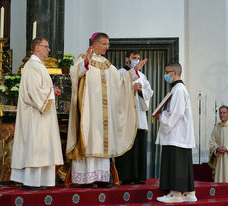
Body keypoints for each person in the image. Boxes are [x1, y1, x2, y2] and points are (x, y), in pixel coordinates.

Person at [66, 32, 147, 188]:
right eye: (104, 44)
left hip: (103, 116)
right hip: (89, 112)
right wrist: (85, 63)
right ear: (94, 44)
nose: (107, 47)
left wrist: (133, 71)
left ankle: (102, 178)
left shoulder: (108, 65)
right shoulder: (83, 58)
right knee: (89, 140)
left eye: (108, 44)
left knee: (103, 142)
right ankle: (86, 179)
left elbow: (119, 82)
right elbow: (74, 74)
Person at [10, 37, 64, 190]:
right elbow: (33, 92)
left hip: (41, 115)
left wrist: (51, 91)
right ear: (37, 47)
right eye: (46, 47)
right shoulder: (32, 66)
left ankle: (43, 181)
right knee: (35, 147)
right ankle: (32, 181)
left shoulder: (38, 66)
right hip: (34, 115)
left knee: (43, 147)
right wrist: (50, 92)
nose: (48, 50)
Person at [155, 63, 197, 203]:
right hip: (180, 135)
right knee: (182, 163)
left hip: (176, 134)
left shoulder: (178, 90)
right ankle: (189, 192)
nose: (165, 75)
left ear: (174, 73)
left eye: (167, 72)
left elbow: (176, 113)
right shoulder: (178, 89)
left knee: (176, 163)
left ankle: (175, 194)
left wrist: (161, 116)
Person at [115, 50, 153, 184]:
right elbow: (116, 91)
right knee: (128, 146)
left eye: (138, 58)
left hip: (140, 117)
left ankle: (139, 176)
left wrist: (141, 90)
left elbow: (149, 92)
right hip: (126, 117)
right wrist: (131, 88)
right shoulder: (120, 73)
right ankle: (126, 176)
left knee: (139, 145)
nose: (136, 60)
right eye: (133, 58)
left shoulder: (142, 75)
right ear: (127, 59)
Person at [208, 105, 228, 189]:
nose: (222, 115)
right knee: (219, 180)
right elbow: (212, 142)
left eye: (224, 113)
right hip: (219, 158)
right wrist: (217, 148)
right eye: (220, 113)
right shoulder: (216, 127)